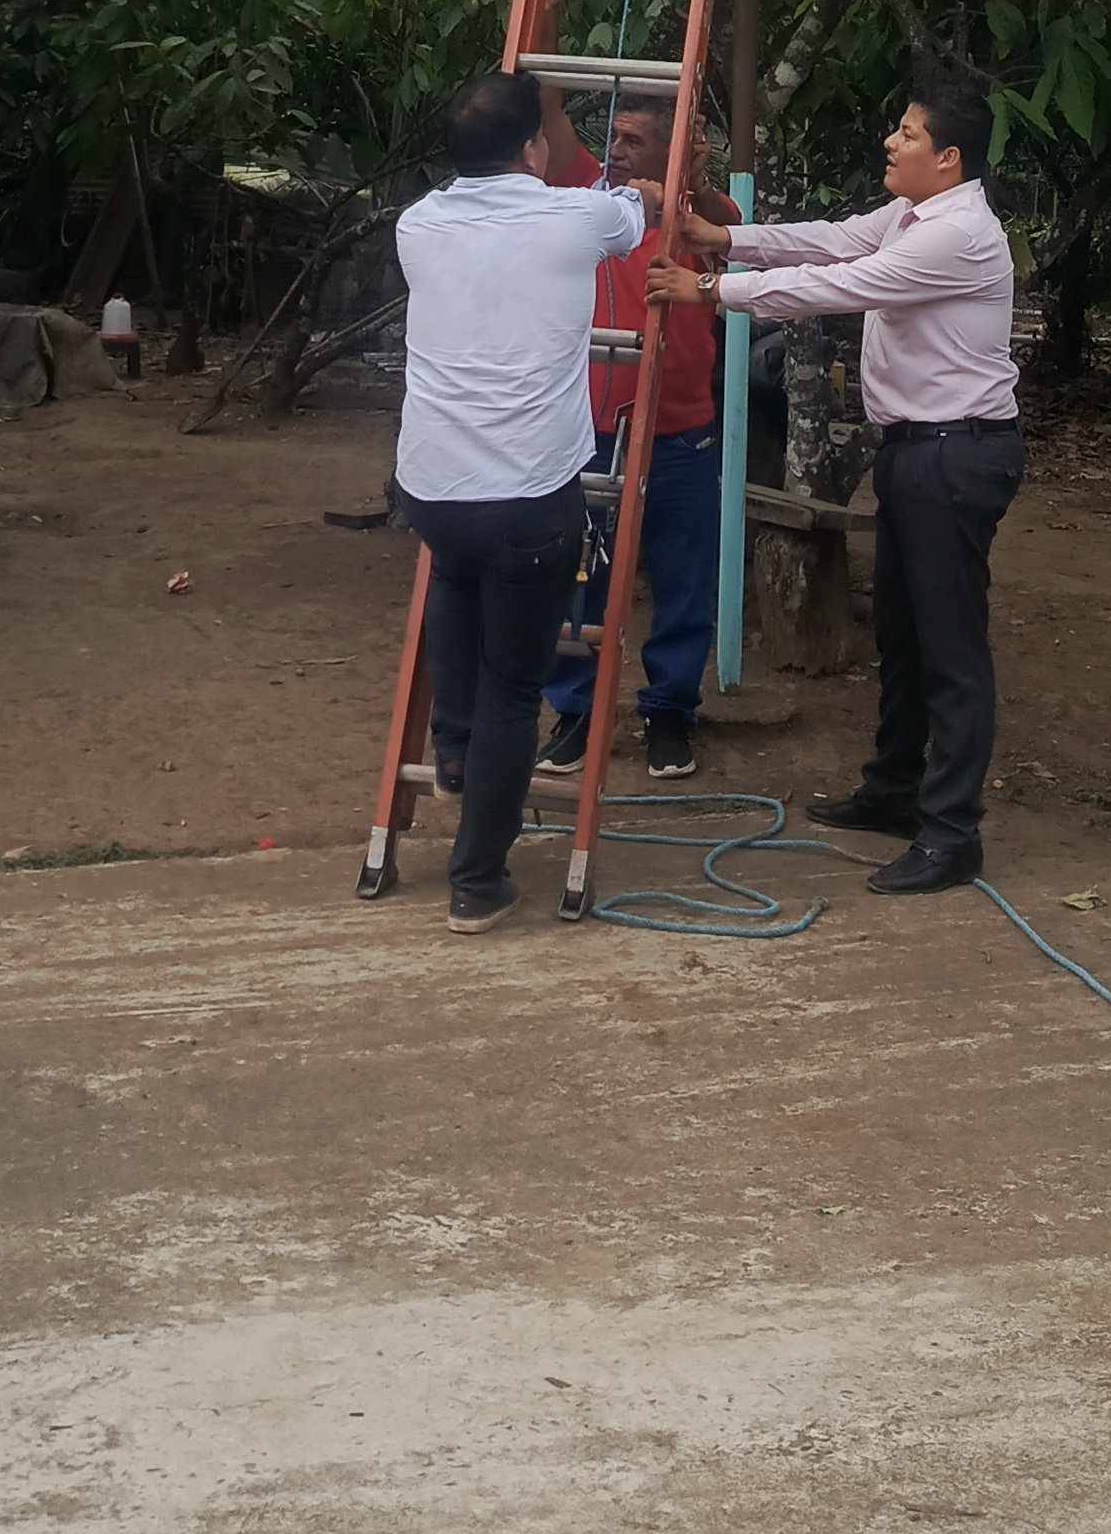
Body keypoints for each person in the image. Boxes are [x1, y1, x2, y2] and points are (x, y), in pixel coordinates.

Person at [647, 76, 1021, 896]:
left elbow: (843, 285)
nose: (892, 141)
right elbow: (833, 240)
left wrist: (711, 287)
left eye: (909, 133)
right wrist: (724, 236)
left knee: (951, 649)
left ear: (949, 159)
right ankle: (895, 789)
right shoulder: (912, 215)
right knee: (903, 632)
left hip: (956, 454)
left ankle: (952, 833)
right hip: (918, 451)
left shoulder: (957, 234)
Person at [394, 67, 648, 935]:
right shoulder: (575, 217)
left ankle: (452, 749)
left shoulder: (416, 225)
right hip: (529, 498)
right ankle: (476, 880)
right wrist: (648, 191)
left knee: (454, 585)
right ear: (534, 148)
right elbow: (632, 216)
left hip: (434, 488)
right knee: (514, 689)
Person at [534, 87, 741, 782]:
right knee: (578, 576)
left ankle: (670, 712)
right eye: (615, 137)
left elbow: (724, 225)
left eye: (635, 141)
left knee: (684, 578)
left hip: (681, 432)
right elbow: (549, 115)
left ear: (670, 150)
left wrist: (692, 185)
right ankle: (574, 710)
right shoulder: (587, 194)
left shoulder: (703, 214)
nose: (618, 152)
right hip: (589, 429)